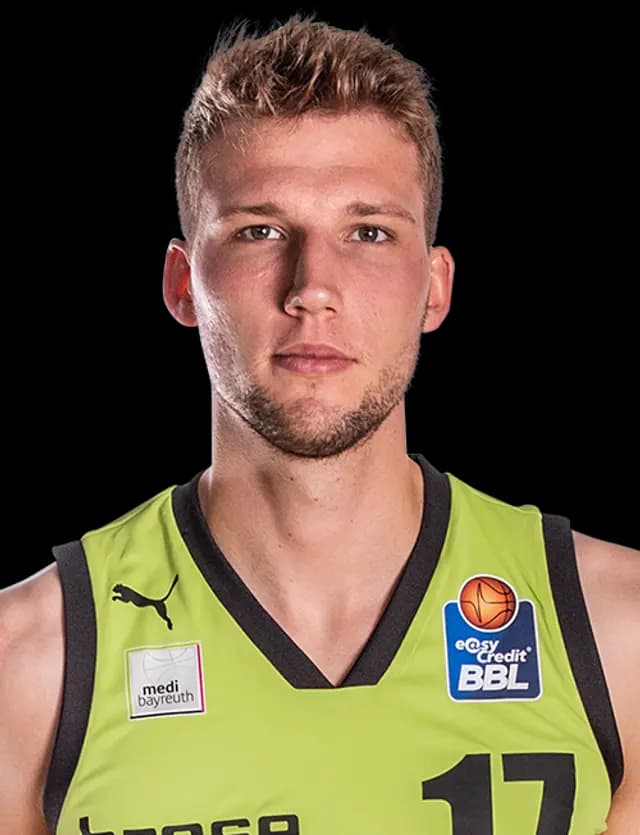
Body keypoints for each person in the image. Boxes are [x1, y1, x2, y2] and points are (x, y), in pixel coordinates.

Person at [1, 14, 638, 835]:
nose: (312, 288)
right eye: (259, 231)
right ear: (184, 283)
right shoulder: (31, 666)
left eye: (369, 232)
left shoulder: (614, 634)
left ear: (435, 286)